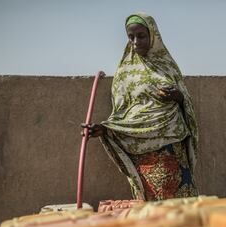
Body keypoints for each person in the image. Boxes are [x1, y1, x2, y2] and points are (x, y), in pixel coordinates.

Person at [81, 13, 199, 201]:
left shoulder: (167, 66)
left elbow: (187, 104)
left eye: (141, 36)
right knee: (150, 210)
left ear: (153, 35)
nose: (136, 42)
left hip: (171, 145)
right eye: (131, 37)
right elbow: (121, 113)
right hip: (141, 152)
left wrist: (178, 97)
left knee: (180, 206)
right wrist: (105, 129)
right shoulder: (124, 74)